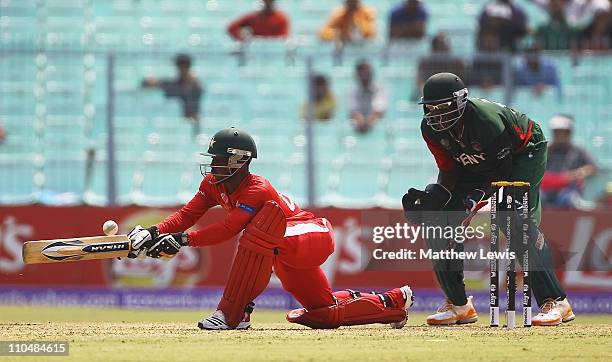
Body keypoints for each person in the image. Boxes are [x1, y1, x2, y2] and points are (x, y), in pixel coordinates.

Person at [127, 127, 414, 330]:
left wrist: (182, 240)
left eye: (218, 159)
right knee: (324, 313)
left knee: (255, 234)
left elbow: (229, 228)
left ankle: (233, 314)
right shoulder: (212, 184)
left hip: (309, 235)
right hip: (281, 248)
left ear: (239, 160)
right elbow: (188, 214)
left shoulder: (257, 189)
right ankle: (393, 301)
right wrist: (154, 231)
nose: (212, 165)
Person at [402, 72, 575, 326]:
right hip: (478, 164)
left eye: (444, 107)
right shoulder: (429, 128)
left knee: (512, 216)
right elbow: (450, 169)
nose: (437, 115)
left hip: (523, 154)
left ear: (461, 101)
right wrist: (437, 198)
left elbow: (499, 175)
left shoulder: (486, 122)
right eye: (431, 108)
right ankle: (459, 304)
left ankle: (556, 301)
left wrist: (473, 201)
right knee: (437, 222)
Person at [541, 114, 598, 209]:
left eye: (563, 132)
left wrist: (577, 173)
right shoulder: (545, 150)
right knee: (533, 200)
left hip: (568, 189)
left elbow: (593, 167)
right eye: (556, 132)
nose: (559, 135)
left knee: (569, 200)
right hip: (546, 189)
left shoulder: (578, 151)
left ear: (569, 133)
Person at [142, 53, 203, 136]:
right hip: (175, 125)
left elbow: (194, 113)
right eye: (180, 65)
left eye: (185, 65)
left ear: (189, 66)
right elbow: (149, 84)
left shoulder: (196, 87)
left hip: (188, 125)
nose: (182, 68)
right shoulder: (174, 84)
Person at [530, 0, 610, 49]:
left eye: (558, 3)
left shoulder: (571, 28)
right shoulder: (542, 28)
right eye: (553, 3)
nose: (556, 6)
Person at [416, 32, 466, 98]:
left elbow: (464, 83)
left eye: (446, 45)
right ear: (434, 48)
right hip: (431, 95)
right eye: (441, 45)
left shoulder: (457, 63)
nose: (445, 48)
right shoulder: (425, 63)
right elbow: (420, 82)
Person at [348, 60, 388, 134]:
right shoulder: (352, 92)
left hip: (378, 132)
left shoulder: (380, 89)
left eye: (367, 72)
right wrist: (361, 122)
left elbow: (378, 111)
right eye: (362, 73)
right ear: (357, 75)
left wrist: (367, 123)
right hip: (358, 129)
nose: (365, 75)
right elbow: (354, 111)